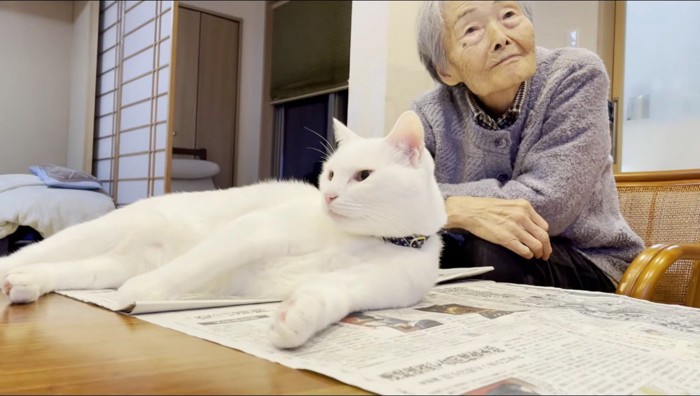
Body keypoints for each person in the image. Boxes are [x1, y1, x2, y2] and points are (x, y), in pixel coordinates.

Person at [411, 1, 644, 292]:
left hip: (590, 262)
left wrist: (441, 205)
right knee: (420, 254)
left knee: (485, 253)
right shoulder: (428, 114)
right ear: (445, 70)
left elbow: (548, 205)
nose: (500, 38)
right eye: (472, 29)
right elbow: (392, 201)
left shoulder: (575, 75)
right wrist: (455, 210)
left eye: (508, 15)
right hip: (490, 256)